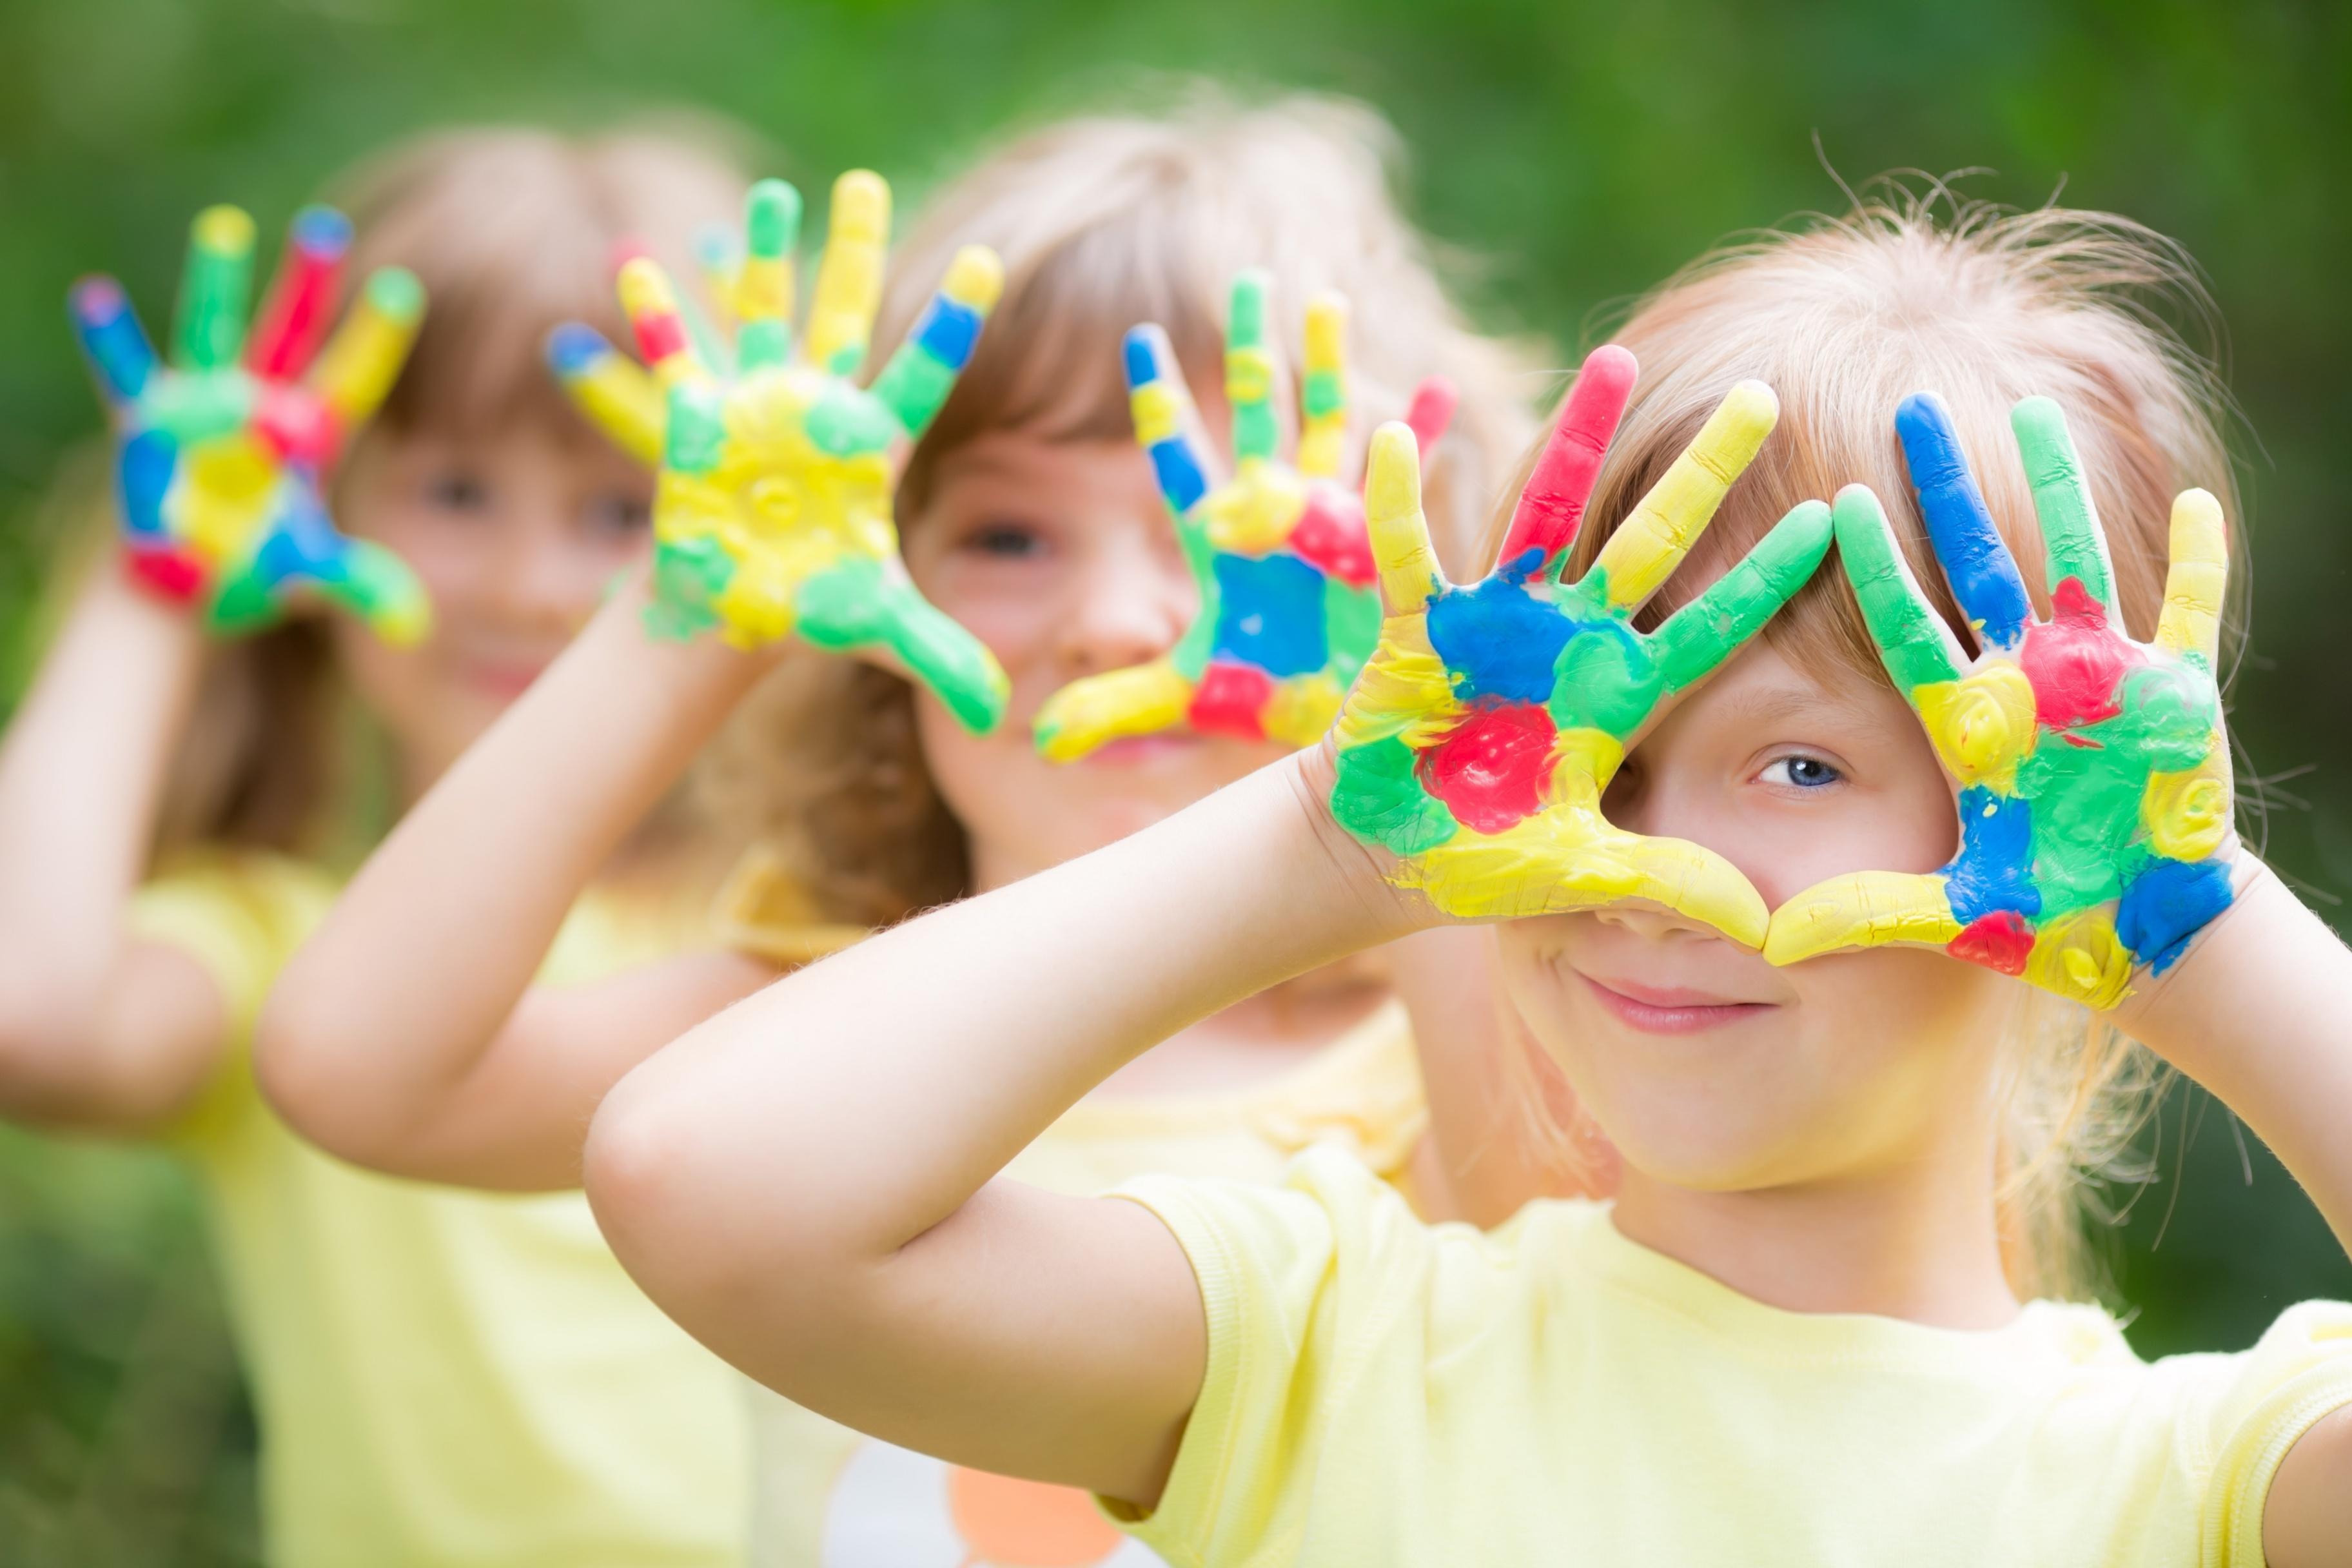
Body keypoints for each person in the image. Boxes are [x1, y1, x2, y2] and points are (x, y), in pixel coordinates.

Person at [582, 193, 2352, 1565]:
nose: (1644, 862)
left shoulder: (2191, 1483)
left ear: (2059, 835)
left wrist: (2202, 933)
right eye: (1604, 761)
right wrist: (1336, 840)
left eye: (1802, 765)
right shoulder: (1328, 1345)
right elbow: (704, 1187)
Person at [257, 94, 1578, 1564]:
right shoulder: (817, 1020)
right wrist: (689, 616)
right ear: (878, 592)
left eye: (1240, 544)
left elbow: (1591, 1319)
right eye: (1010, 536)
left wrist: (1402, 798)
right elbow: (361, 1074)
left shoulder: (1436, 1052)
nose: (1111, 619)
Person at [0, 125, 763, 1566]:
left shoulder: (806, 921)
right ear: (323, 502)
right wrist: (153, 574)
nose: (532, 585)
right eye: (457, 494)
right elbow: (28, 1014)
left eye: (617, 513)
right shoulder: (288, 953)